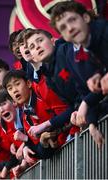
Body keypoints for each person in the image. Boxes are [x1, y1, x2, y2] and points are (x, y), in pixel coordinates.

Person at [50, 1, 108, 148]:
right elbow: (85, 91)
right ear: (62, 36)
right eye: (63, 27)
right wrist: (92, 123)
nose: (70, 28)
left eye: (72, 20)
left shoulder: (104, 30)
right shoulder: (72, 56)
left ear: (86, 18)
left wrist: (86, 102)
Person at [3, 70, 70, 163]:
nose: (14, 90)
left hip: (78, 137)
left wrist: (46, 125)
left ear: (29, 83)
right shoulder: (25, 118)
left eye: (17, 84)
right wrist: (41, 143)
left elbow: (69, 111)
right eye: (10, 88)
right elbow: (42, 153)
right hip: (65, 156)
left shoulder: (43, 93)